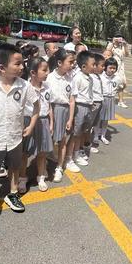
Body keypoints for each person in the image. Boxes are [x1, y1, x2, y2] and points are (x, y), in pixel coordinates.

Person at [0, 44, 39, 216]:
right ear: (2, 68)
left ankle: (12, 194)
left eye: (22, 63)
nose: (22, 67)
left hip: (15, 136)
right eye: (18, 64)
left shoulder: (24, 86)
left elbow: (36, 105)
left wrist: (31, 125)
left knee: (15, 166)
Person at [19, 57, 54, 193]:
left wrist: (51, 123)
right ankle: (22, 178)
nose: (47, 73)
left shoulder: (47, 87)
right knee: (24, 153)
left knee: (42, 152)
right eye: (44, 70)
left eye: (48, 70)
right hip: (29, 122)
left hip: (44, 121)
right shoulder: (25, 87)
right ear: (33, 73)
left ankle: (41, 177)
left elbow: (49, 105)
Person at [46, 48, 75, 183]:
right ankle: (46, 162)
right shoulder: (49, 78)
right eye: (70, 62)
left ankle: (59, 167)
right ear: (59, 63)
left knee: (63, 140)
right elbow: (47, 100)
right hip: (51, 110)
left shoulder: (71, 78)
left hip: (64, 111)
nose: (73, 64)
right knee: (49, 139)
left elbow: (71, 100)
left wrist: (70, 118)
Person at [65, 51, 95, 172]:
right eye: (92, 64)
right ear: (83, 66)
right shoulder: (77, 78)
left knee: (81, 133)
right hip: (79, 107)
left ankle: (76, 155)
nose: (94, 66)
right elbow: (73, 97)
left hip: (87, 107)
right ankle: (69, 158)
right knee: (74, 134)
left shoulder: (90, 78)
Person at [97, 57, 119, 144]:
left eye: (114, 68)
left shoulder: (117, 78)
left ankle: (103, 135)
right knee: (98, 119)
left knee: (106, 120)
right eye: (110, 68)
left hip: (111, 99)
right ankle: (95, 135)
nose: (112, 70)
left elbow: (120, 87)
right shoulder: (101, 77)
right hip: (102, 98)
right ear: (105, 67)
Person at [106, 34, 129, 108]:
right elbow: (107, 52)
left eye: (120, 38)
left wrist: (125, 45)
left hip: (121, 67)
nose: (119, 40)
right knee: (115, 83)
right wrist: (113, 42)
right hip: (113, 66)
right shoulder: (111, 45)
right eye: (118, 38)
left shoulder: (122, 46)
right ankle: (119, 100)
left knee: (123, 83)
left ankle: (120, 100)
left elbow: (127, 55)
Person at [89, 53, 105, 154]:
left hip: (99, 102)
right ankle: (87, 144)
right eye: (102, 66)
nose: (103, 68)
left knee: (95, 124)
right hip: (94, 103)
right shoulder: (91, 77)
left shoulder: (98, 76)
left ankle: (90, 142)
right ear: (94, 65)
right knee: (89, 125)